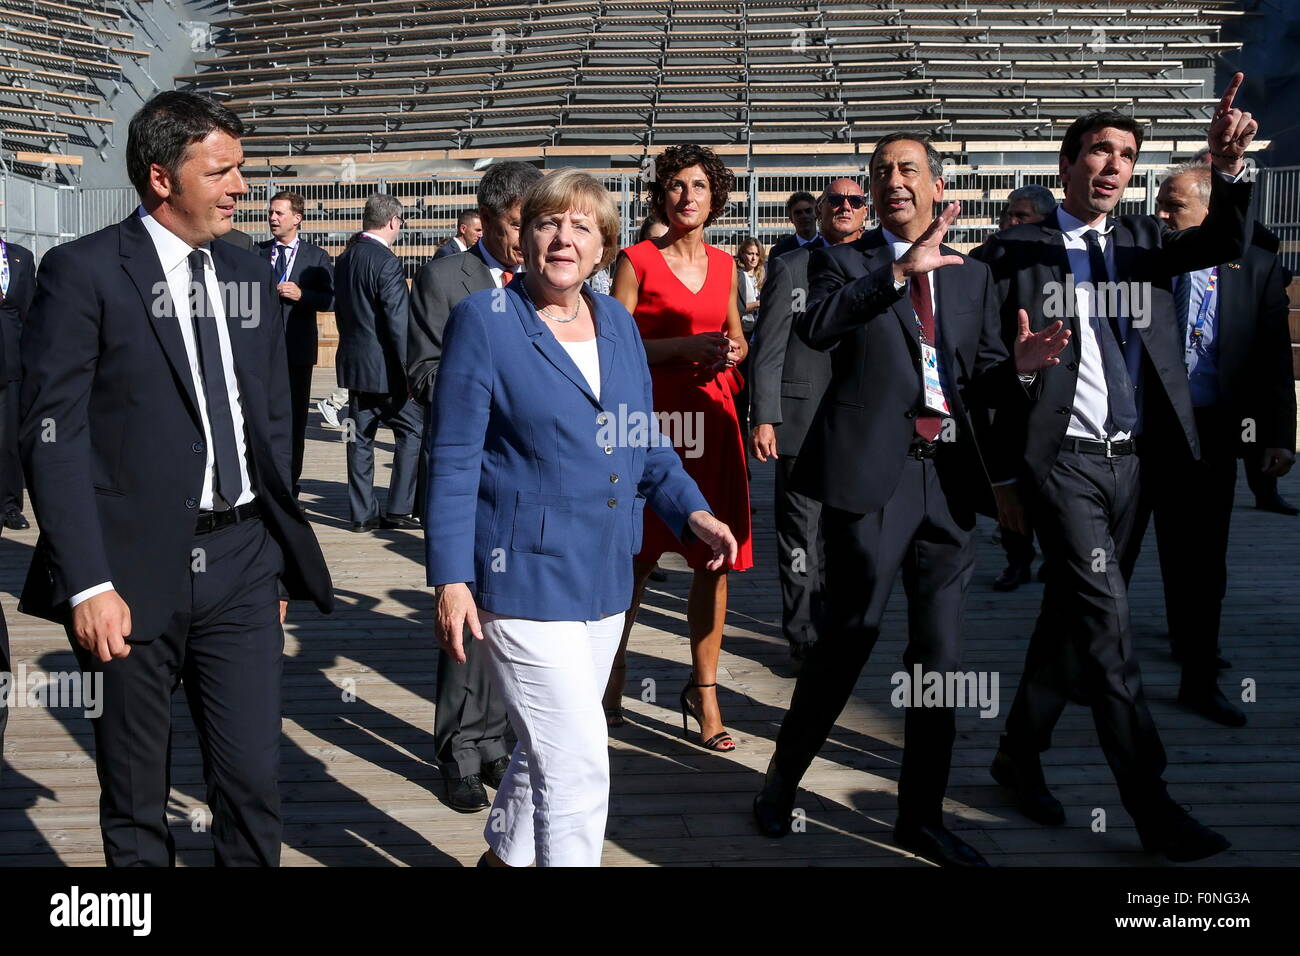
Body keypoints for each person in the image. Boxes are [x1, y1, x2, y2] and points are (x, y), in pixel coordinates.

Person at [18, 91, 334, 866]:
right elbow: (52, 436)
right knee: (135, 798)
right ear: (162, 177)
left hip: (243, 562)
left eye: (241, 171)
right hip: (126, 573)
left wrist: (275, 550)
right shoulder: (82, 271)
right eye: (221, 171)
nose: (240, 188)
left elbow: (268, 420)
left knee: (254, 781)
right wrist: (87, 584)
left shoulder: (247, 272)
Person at [752, 132, 1068, 867]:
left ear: (935, 184)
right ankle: (781, 782)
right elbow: (818, 327)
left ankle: (919, 817)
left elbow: (981, 375)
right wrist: (897, 271)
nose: (893, 181)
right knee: (846, 644)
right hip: (873, 482)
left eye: (907, 170)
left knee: (940, 660)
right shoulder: (842, 260)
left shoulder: (972, 275)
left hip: (949, 482)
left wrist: (1018, 370)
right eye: (880, 173)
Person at [975, 77, 1258, 862]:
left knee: (1071, 626)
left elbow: (1228, 242)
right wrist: (1024, 375)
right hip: (1061, 465)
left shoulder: (1146, 243)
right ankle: (1152, 805)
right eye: (1099, 149)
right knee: (1108, 632)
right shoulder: (1014, 253)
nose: (1113, 164)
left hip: (1135, 468)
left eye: (1126, 154)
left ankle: (1016, 756)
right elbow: (982, 374)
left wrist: (1226, 169)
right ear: (1067, 163)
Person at [426, 169, 737, 866]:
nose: (562, 238)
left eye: (580, 227)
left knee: (549, 749)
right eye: (546, 223)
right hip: (522, 578)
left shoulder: (618, 322)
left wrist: (692, 511)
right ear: (523, 235)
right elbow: (451, 458)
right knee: (578, 763)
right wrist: (449, 580)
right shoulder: (486, 320)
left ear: (604, 248)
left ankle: (502, 859)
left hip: (604, 578)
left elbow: (641, 436)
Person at [1118, 162, 1295, 726]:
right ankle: (1091, 669)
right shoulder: (1144, 261)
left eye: (1175, 207)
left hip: (1211, 435)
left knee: (1200, 564)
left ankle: (1198, 676)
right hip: (1137, 433)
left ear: (1211, 212)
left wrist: (1277, 436)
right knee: (1113, 559)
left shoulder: (1260, 269)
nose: (1161, 217)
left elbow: (1272, 358)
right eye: (1160, 205)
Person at [601, 144, 754, 749]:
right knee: (633, 562)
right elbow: (613, 343)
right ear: (661, 195)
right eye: (676, 186)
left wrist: (733, 348)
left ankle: (704, 692)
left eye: (698, 185)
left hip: (714, 425)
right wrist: (680, 351)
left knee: (713, 562)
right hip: (650, 426)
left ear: (715, 197)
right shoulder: (635, 259)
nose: (687, 196)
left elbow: (736, 331)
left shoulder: (724, 265)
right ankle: (612, 679)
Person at [408, 160, 542, 811]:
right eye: (519, 224)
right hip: (468, 476)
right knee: (464, 615)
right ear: (487, 219)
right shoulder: (443, 278)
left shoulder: (546, 280)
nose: (531, 236)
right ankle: (459, 751)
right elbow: (423, 373)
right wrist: (496, 384)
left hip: (527, 476)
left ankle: (494, 742)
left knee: (509, 614)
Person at [748, 178, 868, 663]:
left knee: (853, 537)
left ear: (866, 211)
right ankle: (803, 636)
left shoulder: (883, 265)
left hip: (865, 424)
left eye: (853, 201)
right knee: (800, 534)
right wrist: (765, 416)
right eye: (833, 200)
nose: (843, 207)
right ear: (818, 212)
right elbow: (769, 348)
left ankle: (842, 627)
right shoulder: (790, 265)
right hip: (802, 421)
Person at [333, 194, 424, 532]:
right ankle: (398, 508)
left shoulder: (344, 258)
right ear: (392, 222)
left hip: (356, 367)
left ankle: (361, 514)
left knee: (359, 441)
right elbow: (398, 324)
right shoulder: (386, 261)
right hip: (387, 371)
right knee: (413, 431)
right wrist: (411, 371)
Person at [989, 184, 1057, 591]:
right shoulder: (988, 259)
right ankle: (1017, 559)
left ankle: (1054, 555)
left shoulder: (1058, 265)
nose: (1010, 222)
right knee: (1008, 477)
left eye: (1022, 216)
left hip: (1051, 391)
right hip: (1003, 386)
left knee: (1048, 481)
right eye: (1009, 214)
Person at [258, 190, 334, 502]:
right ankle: (264, 483)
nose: (273, 218)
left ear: (297, 218)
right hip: (261, 351)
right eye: (271, 213)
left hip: (298, 351)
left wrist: (302, 295)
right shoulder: (256, 252)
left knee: (294, 420)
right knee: (262, 419)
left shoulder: (316, 257)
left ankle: (290, 485)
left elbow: (331, 300)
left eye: (279, 213)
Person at [0, 234, 34, 530]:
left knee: (8, 440)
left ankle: (9, 506)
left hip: (10, 364)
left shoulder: (19, 258)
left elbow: (29, 313)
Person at [767, 191, 823, 259]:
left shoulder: (828, 245)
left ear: (816, 213)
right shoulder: (779, 251)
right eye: (798, 213)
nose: (804, 216)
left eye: (808, 211)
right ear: (791, 219)